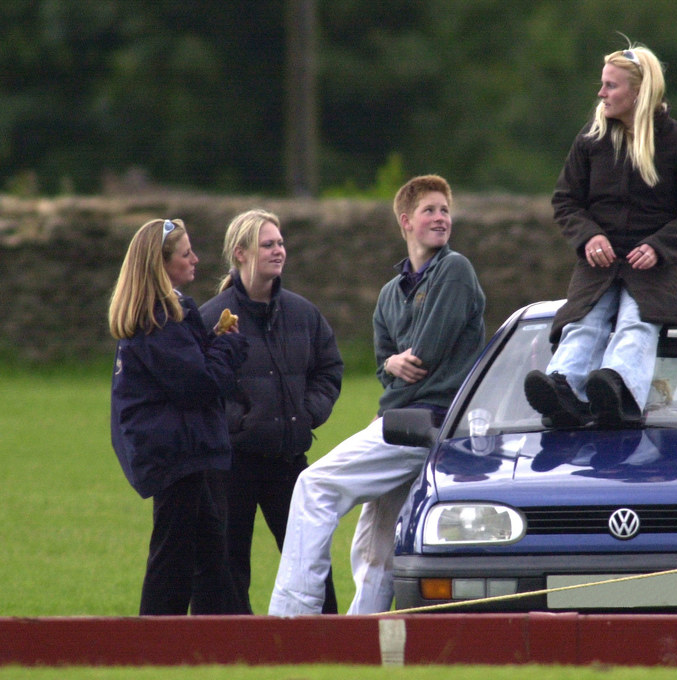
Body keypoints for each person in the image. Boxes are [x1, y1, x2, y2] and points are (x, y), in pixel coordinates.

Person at [268, 174, 486, 616]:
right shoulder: (389, 294)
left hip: (433, 421)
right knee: (379, 544)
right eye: (430, 210)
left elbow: (426, 355)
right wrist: (390, 366)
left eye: (445, 210)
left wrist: (396, 371)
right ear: (405, 221)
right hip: (403, 420)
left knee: (314, 487)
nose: (441, 218)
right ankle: (361, 640)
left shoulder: (455, 270)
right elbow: (386, 367)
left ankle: (291, 617)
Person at [524, 42, 677, 427]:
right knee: (585, 321)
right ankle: (562, 389)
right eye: (602, 84)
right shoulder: (590, 140)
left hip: (653, 268)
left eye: (611, 86)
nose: (601, 93)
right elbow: (565, 201)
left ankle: (617, 387)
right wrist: (588, 237)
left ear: (639, 93)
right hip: (597, 264)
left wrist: (659, 247)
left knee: (637, 322)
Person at [200, 209, 343, 614]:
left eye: (280, 243)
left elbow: (330, 368)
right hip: (233, 464)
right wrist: (239, 423)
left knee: (309, 559)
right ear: (241, 253)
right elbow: (203, 386)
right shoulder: (212, 317)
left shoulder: (303, 314)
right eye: (268, 244)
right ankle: (234, 646)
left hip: (288, 460)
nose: (279, 250)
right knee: (229, 564)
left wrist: (306, 412)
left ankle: (330, 638)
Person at [109, 218, 248, 615]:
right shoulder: (159, 319)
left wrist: (215, 346)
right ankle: (152, 646)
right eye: (186, 253)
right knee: (174, 559)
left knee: (209, 554)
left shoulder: (164, 314)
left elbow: (192, 372)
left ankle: (215, 640)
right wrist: (230, 346)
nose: (196, 259)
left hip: (179, 450)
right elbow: (199, 385)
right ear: (161, 264)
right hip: (176, 453)